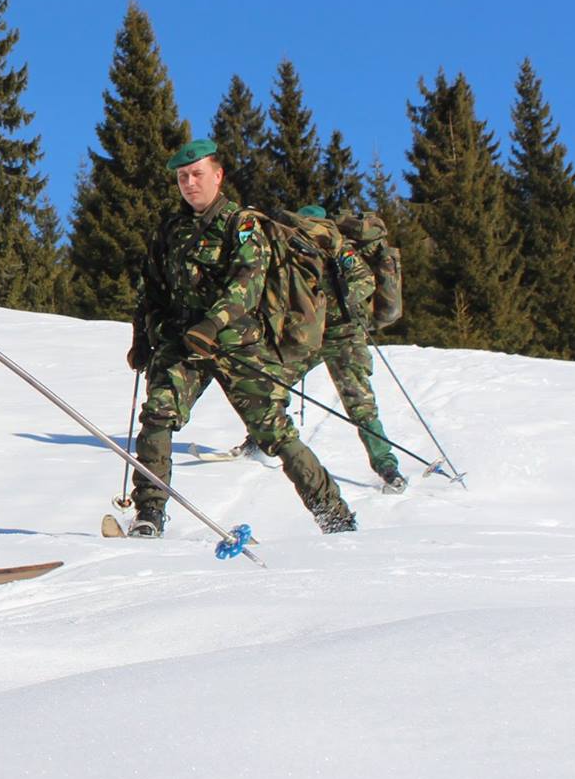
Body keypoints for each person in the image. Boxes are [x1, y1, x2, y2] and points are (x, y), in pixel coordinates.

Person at [125, 139, 356, 536]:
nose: (189, 183)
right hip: (183, 344)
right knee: (158, 416)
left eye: (197, 174)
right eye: (182, 177)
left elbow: (247, 282)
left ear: (218, 175)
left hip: (237, 344)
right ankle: (149, 514)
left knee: (274, 431)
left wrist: (213, 325)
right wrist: (144, 336)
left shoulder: (243, 224)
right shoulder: (171, 230)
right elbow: (152, 287)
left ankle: (333, 513)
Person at [293, 204, 407, 493]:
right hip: (312, 336)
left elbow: (364, 282)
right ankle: (260, 437)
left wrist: (330, 303)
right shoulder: (295, 255)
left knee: (360, 404)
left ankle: (386, 465)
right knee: (275, 381)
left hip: (344, 335)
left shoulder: (339, 250)